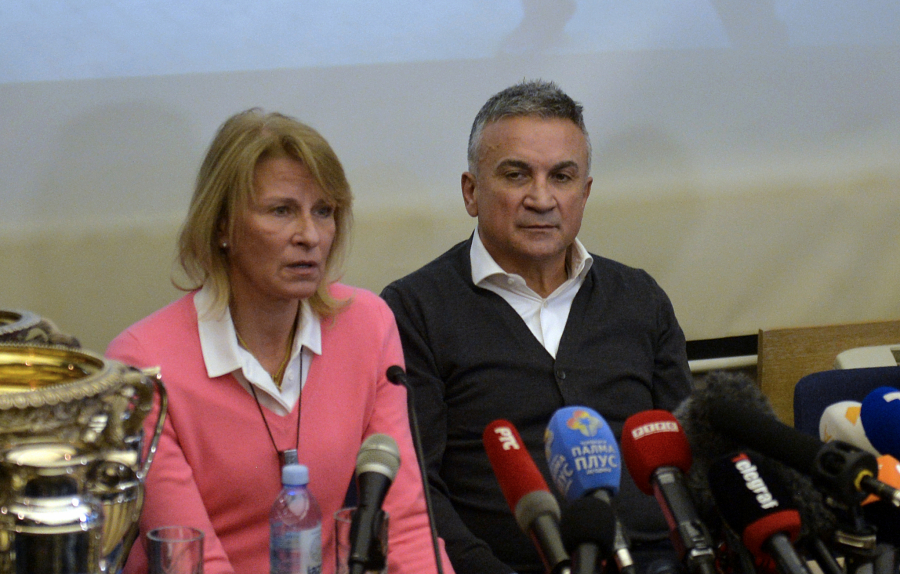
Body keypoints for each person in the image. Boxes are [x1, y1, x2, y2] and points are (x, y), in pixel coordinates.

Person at [106, 109, 453, 574]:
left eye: (323, 211)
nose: (309, 236)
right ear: (222, 225)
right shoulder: (144, 363)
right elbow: (189, 558)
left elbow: (404, 526)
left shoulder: (367, 326)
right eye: (282, 211)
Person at [381, 80, 693, 574]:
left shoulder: (640, 298)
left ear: (584, 193)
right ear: (471, 192)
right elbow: (416, 489)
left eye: (562, 177)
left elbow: (687, 457)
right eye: (517, 175)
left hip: (657, 561)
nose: (542, 198)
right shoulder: (413, 310)